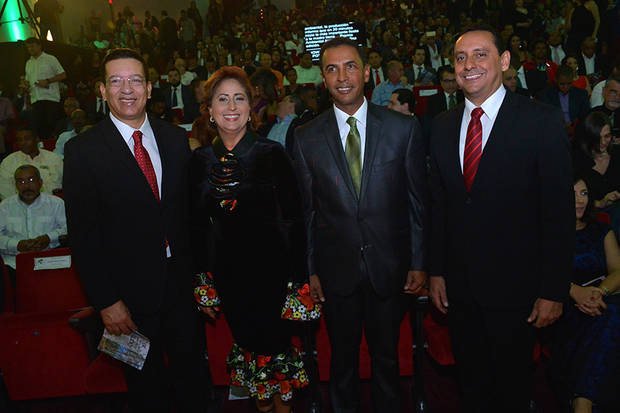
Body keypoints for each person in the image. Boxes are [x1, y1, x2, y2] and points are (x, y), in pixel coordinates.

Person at [429, 27, 574, 413]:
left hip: (519, 293)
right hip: (460, 293)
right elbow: (439, 205)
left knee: (512, 391)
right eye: (461, 58)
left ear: (504, 61)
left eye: (480, 55)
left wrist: (553, 290)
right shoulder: (441, 126)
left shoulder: (540, 121)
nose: (469, 65)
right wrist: (436, 272)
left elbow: (558, 213)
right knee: (472, 389)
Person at [63, 48, 211, 413]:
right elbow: (84, 236)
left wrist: (203, 278)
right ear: (102, 91)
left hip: (181, 290)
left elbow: (190, 217)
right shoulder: (82, 151)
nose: (126, 89)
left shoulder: (176, 140)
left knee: (194, 383)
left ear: (148, 89)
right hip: (125, 301)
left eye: (135, 80)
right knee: (147, 394)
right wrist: (106, 302)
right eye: (116, 81)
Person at [293, 37, 427, 412]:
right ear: (323, 79)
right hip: (337, 273)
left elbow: (418, 203)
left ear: (367, 72)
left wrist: (418, 262)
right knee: (342, 363)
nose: (342, 76)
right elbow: (307, 211)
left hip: (391, 267)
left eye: (350, 66)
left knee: (388, 361)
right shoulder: (305, 138)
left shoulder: (404, 129)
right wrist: (311, 270)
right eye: (332, 69)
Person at [190, 66, 308, 413]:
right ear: (209, 109)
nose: (231, 106)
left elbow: (295, 219)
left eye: (239, 98)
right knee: (251, 352)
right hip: (230, 279)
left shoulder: (273, 153)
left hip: (275, 277)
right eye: (222, 99)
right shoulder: (199, 161)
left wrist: (299, 280)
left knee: (277, 354)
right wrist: (203, 282)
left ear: (251, 106)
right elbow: (196, 226)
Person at [551, 177, 620, 413]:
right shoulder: (549, 234)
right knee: (610, 317)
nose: (579, 200)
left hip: (603, 296)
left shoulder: (601, 229)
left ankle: (582, 401)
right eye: (572, 194)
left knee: (610, 314)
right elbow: (537, 273)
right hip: (565, 303)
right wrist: (576, 292)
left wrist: (598, 293)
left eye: (583, 193)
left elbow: (618, 270)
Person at [0, 165, 67, 286]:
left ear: (40, 182)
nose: (26, 186)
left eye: (31, 180)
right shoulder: (4, 207)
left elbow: (67, 228)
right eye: (21, 181)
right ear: (15, 185)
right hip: (13, 264)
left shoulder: (56, 203)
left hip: (49, 260)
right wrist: (17, 245)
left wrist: (48, 238)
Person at [0, 127, 63, 200]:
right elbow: (4, 190)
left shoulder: (54, 159)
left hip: (49, 204)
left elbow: (58, 185)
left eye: (27, 139)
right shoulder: (8, 161)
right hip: (18, 206)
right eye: (20, 140)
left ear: (37, 139)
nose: (23, 143)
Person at [24, 37, 66, 140]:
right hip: (35, 99)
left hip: (50, 99)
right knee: (39, 130)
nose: (30, 49)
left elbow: (63, 75)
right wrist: (25, 85)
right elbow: (28, 80)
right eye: (28, 47)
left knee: (51, 129)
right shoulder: (28, 63)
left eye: (32, 46)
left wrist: (47, 81)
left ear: (39, 46)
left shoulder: (50, 59)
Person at [537, 65, 590, 135]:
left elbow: (585, 117)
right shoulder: (545, 95)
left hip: (577, 132)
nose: (566, 87)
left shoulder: (581, 94)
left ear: (572, 80)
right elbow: (544, 118)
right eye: (562, 84)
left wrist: (574, 128)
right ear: (556, 80)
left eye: (569, 84)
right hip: (553, 131)